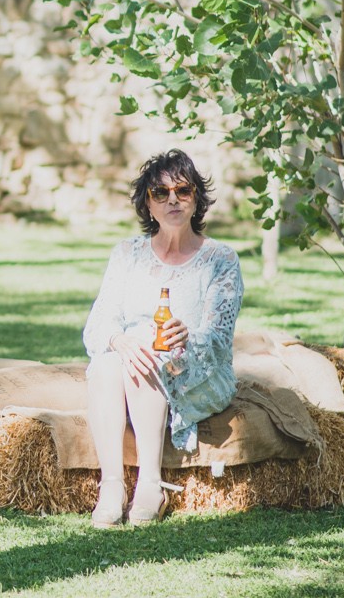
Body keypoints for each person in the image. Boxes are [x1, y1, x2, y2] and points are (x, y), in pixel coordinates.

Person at [82, 149, 244, 527]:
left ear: (196, 199)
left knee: (146, 362)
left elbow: (219, 338)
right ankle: (112, 486)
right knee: (106, 364)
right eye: (160, 193)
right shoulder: (127, 254)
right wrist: (120, 341)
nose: (172, 199)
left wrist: (186, 337)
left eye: (183, 191)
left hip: (197, 368)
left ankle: (151, 485)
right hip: (132, 355)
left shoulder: (221, 259)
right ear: (147, 204)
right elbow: (99, 323)